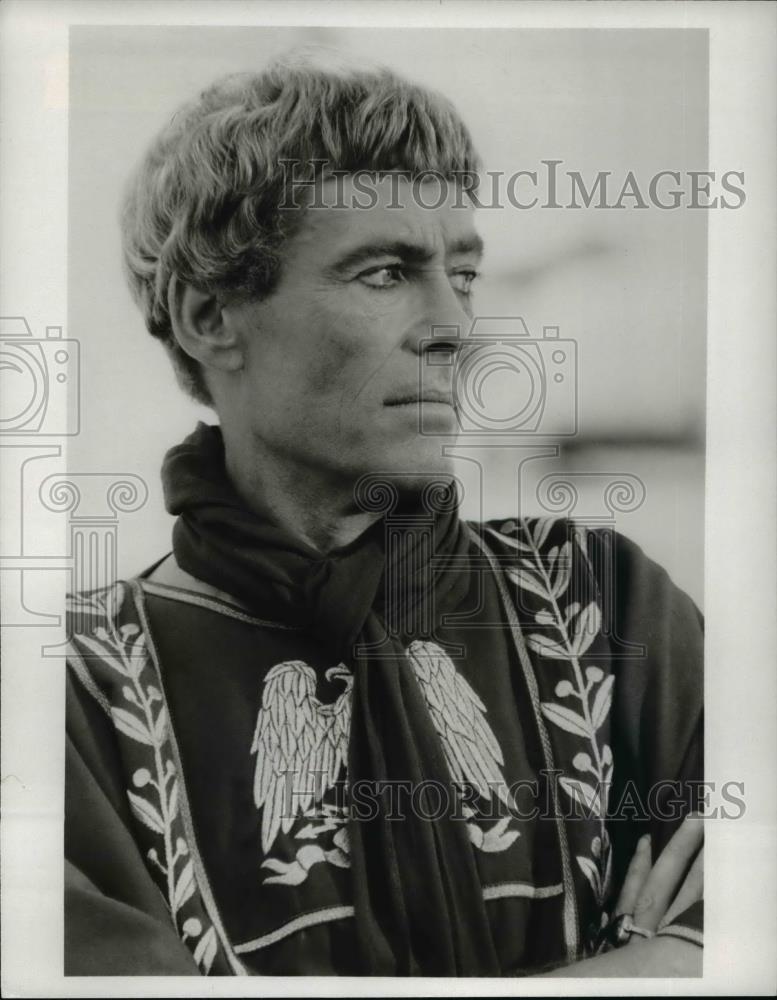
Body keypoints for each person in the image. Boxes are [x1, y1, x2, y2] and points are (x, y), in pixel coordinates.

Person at [64, 50, 704, 977]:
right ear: (210, 318)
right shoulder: (76, 696)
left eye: (462, 274)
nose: (453, 325)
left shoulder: (603, 606)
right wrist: (649, 965)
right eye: (383, 273)